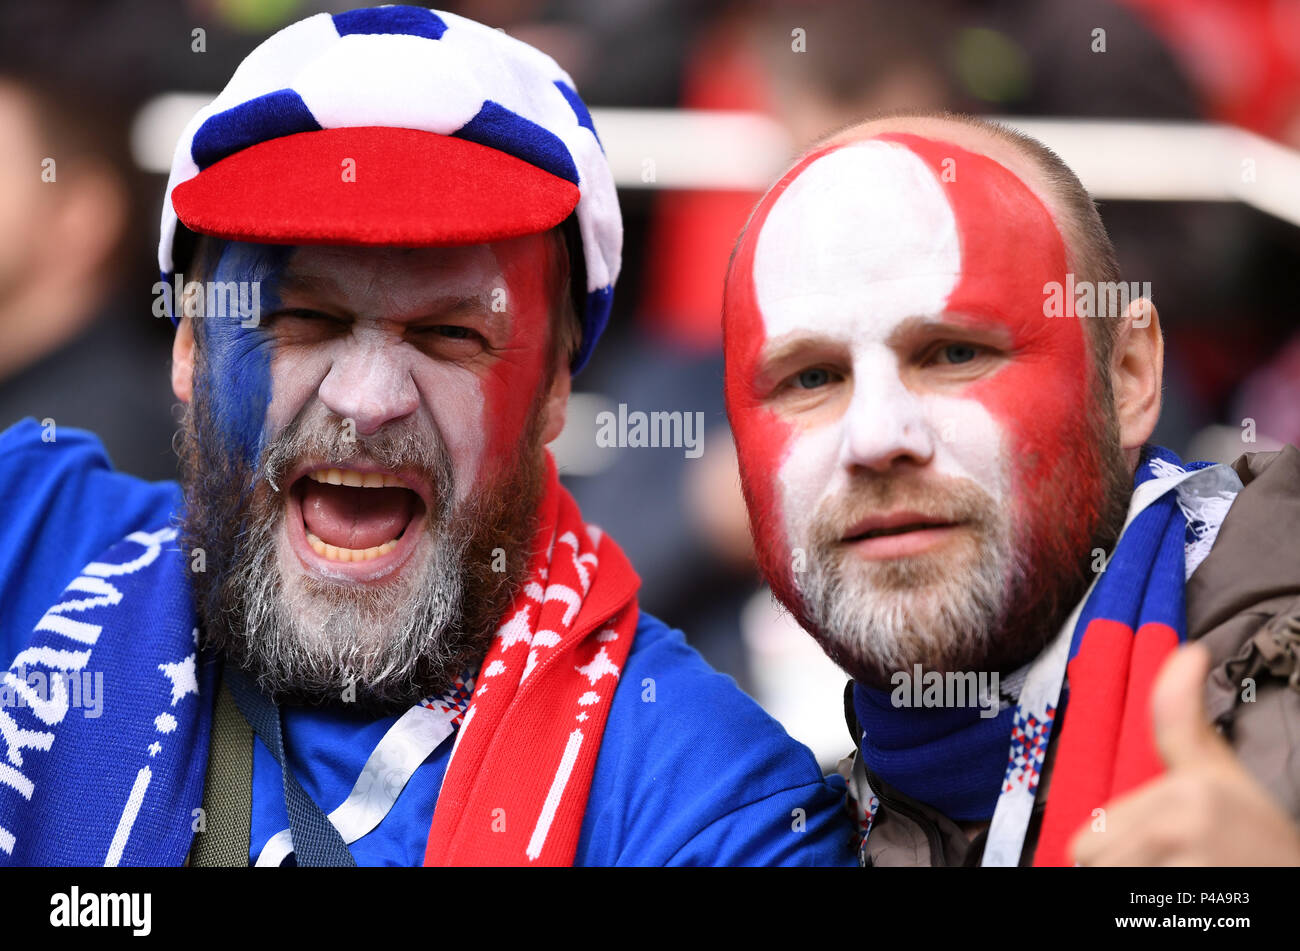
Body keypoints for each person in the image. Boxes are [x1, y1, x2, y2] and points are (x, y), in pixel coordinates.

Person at [0, 5, 854, 867]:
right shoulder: (26, 541)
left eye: (452, 335)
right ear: (190, 344)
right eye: (301, 316)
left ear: (556, 386)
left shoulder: (704, 803)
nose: (368, 401)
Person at [722, 110, 1300, 866]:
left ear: (1127, 378)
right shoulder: (770, 817)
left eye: (954, 352)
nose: (875, 439)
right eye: (813, 378)